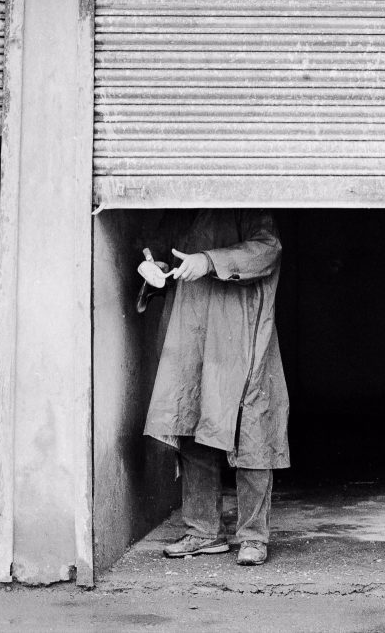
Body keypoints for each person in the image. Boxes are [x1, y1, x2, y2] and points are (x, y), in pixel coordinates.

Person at [137, 209, 289, 566]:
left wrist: (208, 261)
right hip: (190, 329)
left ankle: (253, 537)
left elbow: (267, 250)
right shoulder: (180, 208)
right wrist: (153, 267)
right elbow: (155, 250)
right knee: (192, 423)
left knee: (252, 429)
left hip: (240, 332)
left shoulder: (248, 203)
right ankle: (203, 531)